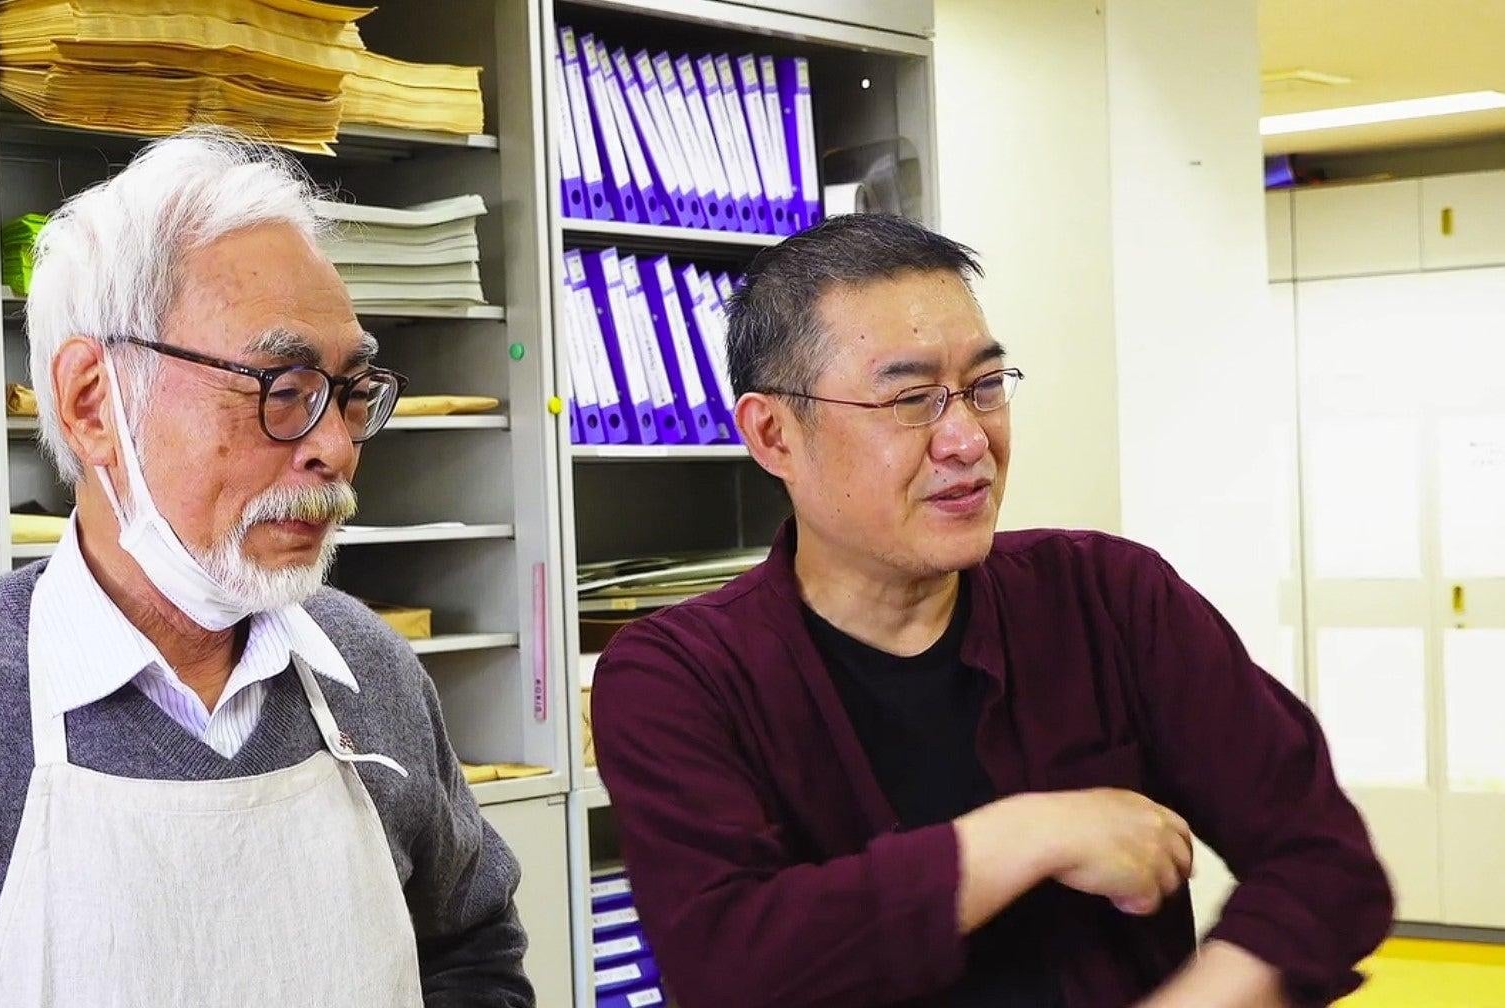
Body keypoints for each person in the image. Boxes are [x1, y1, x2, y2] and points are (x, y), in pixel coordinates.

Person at [0, 129, 531, 1007]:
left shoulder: (372, 674)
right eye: (281, 388)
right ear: (93, 403)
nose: (334, 446)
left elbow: (469, 945)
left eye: (349, 391)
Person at [591, 214, 1392, 1008]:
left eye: (983, 387)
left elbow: (1324, 866)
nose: (968, 440)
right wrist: (1024, 838)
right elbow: (731, 966)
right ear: (773, 435)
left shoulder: (1108, 599)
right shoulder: (678, 677)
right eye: (911, 400)